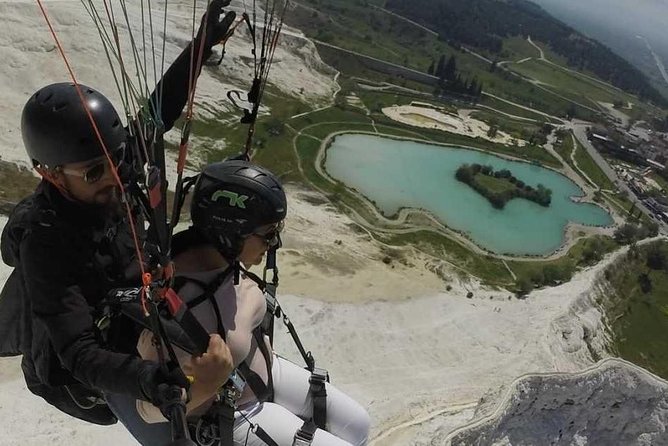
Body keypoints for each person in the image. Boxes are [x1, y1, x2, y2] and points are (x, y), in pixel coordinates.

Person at [0, 0, 237, 425]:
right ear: (52, 176)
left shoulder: (112, 162)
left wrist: (201, 43)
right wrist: (146, 379)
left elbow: (156, 114)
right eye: (94, 172)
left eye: (117, 157)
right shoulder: (46, 241)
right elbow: (78, 352)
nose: (115, 175)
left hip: (132, 305)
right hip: (84, 377)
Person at [108, 159, 370, 445]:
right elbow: (147, 411)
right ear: (230, 233)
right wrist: (203, 384)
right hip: (233, 414)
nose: (274, 244)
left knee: (357, 425)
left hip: (261, 374)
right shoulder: (174, 302)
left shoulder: (223, 263)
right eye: (268, 234)